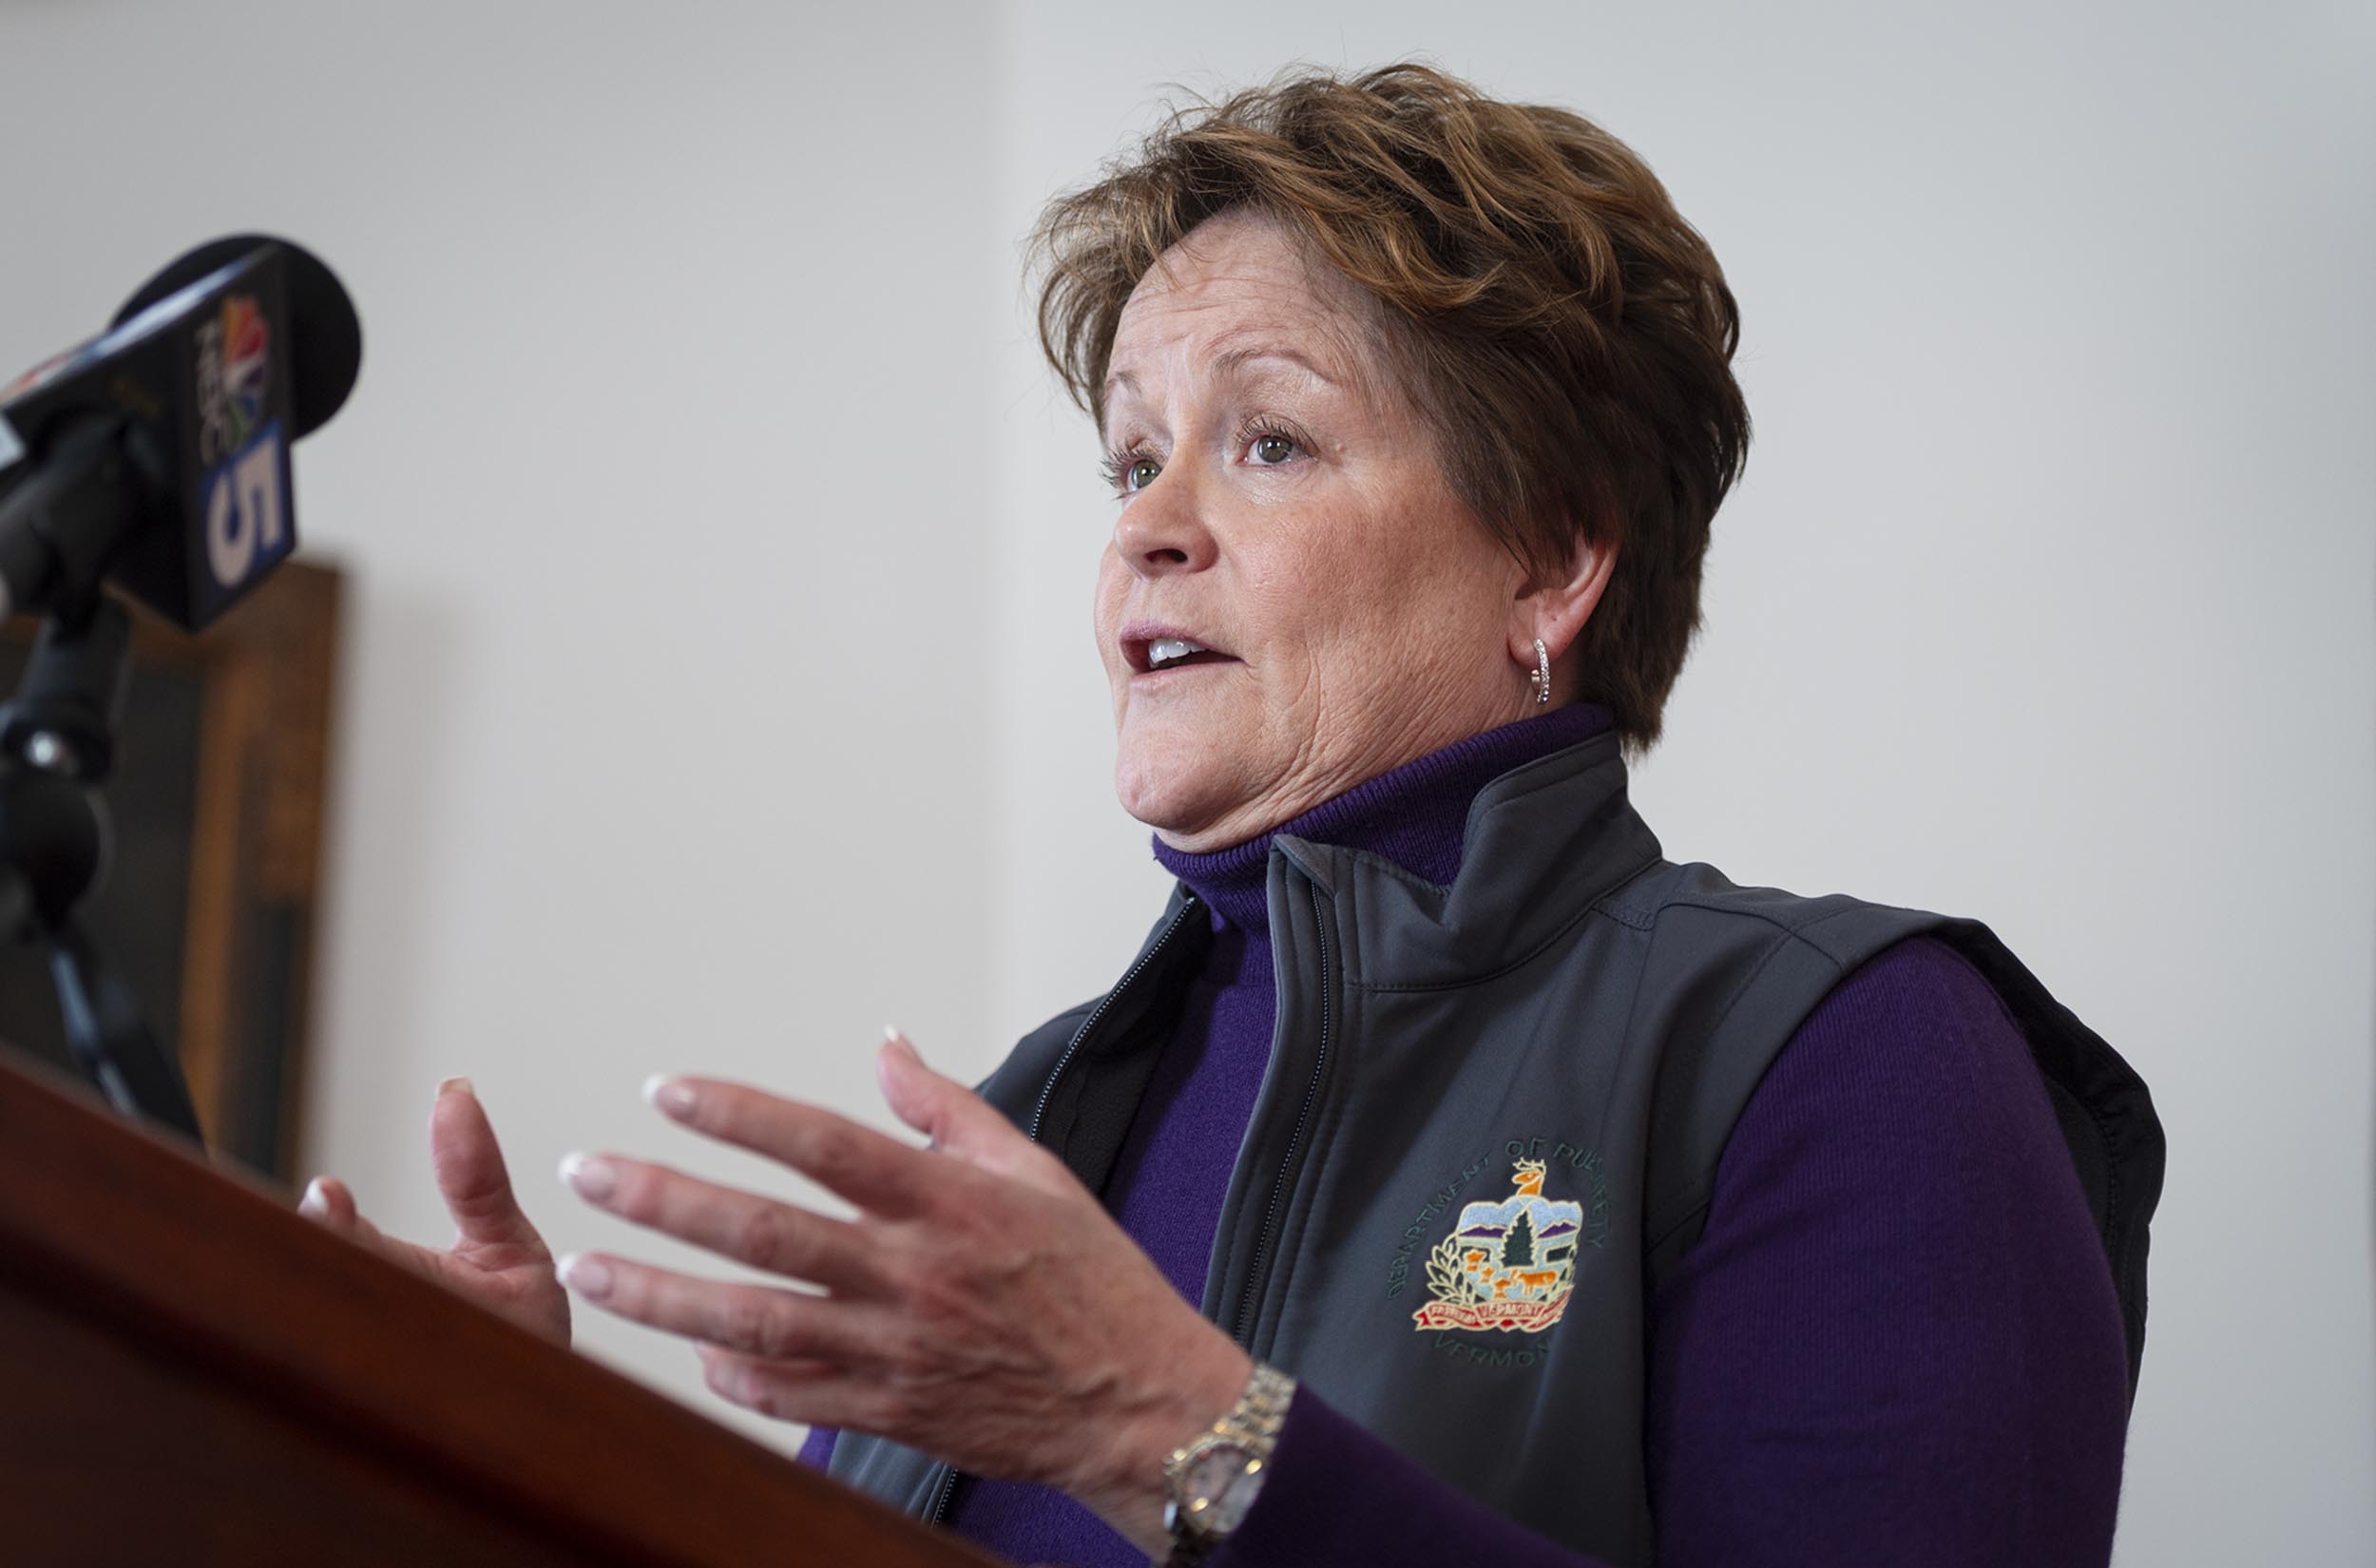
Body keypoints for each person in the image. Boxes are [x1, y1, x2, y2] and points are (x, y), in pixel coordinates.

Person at [299, 61, 2165, 1568]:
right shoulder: (1034, 1116)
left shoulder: (1848, 1053)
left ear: (1553, 558)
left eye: (1264, 439)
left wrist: (1167, 1433)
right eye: (1128, 455)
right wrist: (504, 1468)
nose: (1144, 521)